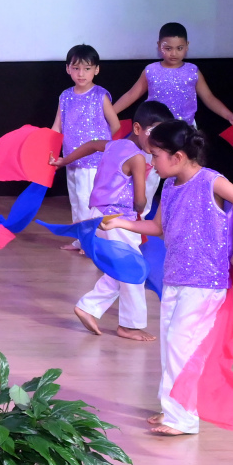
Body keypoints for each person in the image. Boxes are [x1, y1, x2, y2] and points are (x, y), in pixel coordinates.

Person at [103, 121, 233, 436]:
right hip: (175, 278)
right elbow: (157, 227)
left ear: (177, 157)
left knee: (181, 344)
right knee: (171, 345)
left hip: (205, 283)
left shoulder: (211, 181)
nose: (151, 163)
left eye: (155, 155)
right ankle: (172, 409)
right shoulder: (170, 187)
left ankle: (184, 418)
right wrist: (120, 223)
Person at [67, 101, 173, 341]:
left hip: (97, 215)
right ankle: (129, 325)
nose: (158, 141)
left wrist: (64, 161)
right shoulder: (138, 159)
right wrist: (142, 211)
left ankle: (89, 307)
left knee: (122, 268)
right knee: (134, 269)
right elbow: (139, 201)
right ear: (137, 128)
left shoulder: (115, 145)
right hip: (117, 219)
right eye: (154, 133)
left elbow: (92, 144)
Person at [109, 22, 233, 128]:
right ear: (159, 46)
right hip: (155, 129)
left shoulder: (192, 71)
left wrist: (229, 116)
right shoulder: (151, 70)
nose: (174, 53)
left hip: (185, 129)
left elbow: (209, 98)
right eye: (168, 48)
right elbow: (131, 95)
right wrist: (109, 114)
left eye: (179, 48)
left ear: (187, 46)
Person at [51, 44, 119, 244]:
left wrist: (102, 147)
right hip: (71, 159)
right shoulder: (65, 96)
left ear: (96, 70)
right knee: (76, 200)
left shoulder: (100, 95)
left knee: (87, 200)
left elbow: (115, 125)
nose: (81, 73)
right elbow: (57, 126)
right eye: (76, 68)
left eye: (87, 68)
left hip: (93, 161)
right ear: (68, 69)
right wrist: (50, 150)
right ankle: (80, 240)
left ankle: (90, 241)